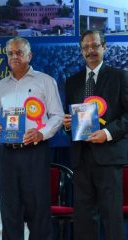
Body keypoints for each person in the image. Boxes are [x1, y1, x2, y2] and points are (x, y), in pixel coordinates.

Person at [0, 36, 64, 240]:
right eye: (10, 53)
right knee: (9, 211)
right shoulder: (0, 86)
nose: (14, 56)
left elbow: (57, 115)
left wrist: (41, 133)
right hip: (7, 154)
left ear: (29, 55)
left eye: (19, 52)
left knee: (38, 210)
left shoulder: (45, 81)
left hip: (34, 152)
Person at [63, 30, 128, 240]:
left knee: (111, 216)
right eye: (86, 47)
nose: (90, 51)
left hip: (109, 156)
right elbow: (71, 116)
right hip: (81, 158)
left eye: (95, 46)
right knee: (83, 218)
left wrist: (107, 133)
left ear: (104, 47)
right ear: (81, 51)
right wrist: (67, 124)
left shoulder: (120, 76)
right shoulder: (72, 81)